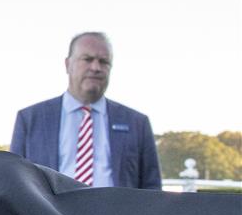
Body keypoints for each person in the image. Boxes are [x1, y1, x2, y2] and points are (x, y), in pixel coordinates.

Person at [9, 32, 161, 189]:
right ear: (68, 65)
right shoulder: (30, 119)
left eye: (104, 62)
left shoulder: (137, 123)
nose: (96, 67)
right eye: (87, 59)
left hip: (117, 212)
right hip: (50, 213)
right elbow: (14, 183)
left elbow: (152, 188)